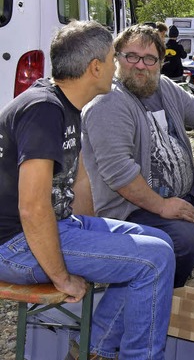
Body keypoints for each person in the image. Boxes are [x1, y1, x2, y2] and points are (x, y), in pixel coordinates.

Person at [0, 21, 175, 359]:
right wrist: (62, 277)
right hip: (14, 244)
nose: (117, 66)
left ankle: (94, 349)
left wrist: (101, 246)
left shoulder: (66, 104)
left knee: (162, 242)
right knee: (153, 260)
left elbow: (77, 181)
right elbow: (33, 208)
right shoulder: (43, 110)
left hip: (55, 227)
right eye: (113, 58)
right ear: (95, 67)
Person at [81, 24, 194, 288]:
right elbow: (120, 174)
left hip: (178, 200)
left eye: (150, 59)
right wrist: (163, 206)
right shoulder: (108, 102)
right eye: (131, 56)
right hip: (133, 210)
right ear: (116, 58)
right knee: (189, 240)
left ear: (161, 62)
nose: (140, 65)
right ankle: (152, 296)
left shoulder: (163, 87)